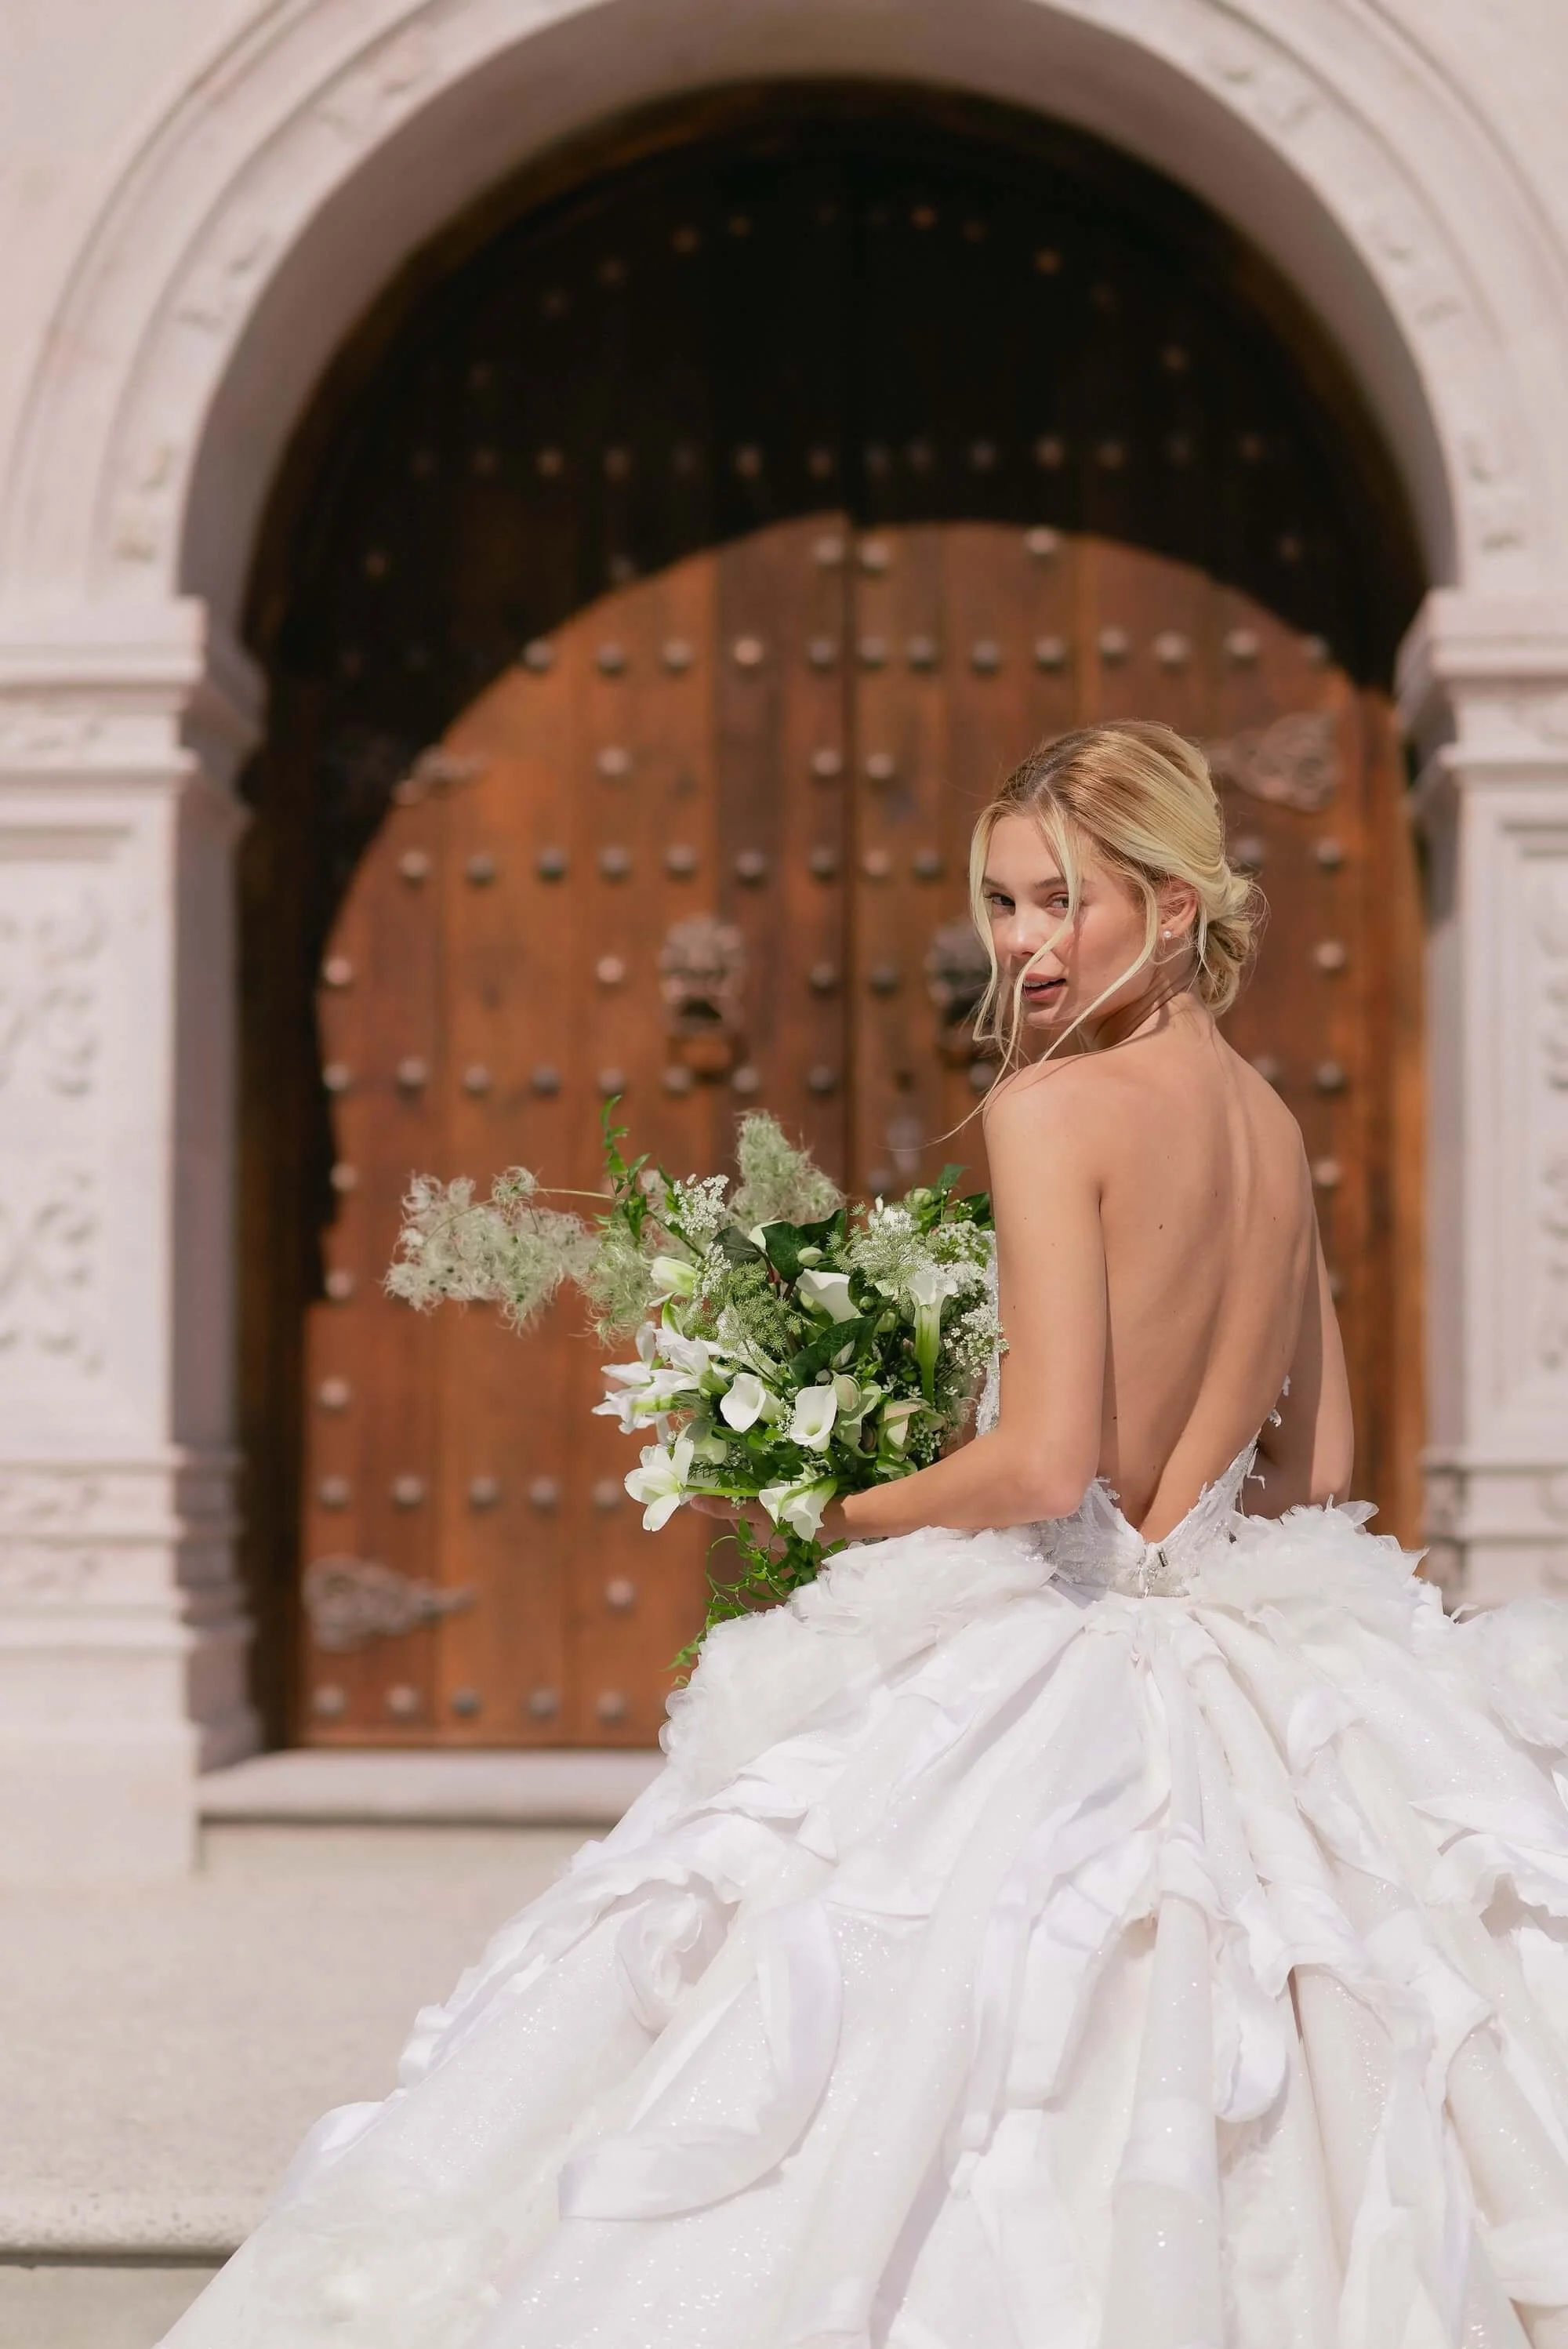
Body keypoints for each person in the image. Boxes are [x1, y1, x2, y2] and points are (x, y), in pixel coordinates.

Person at [164, 722, 1568, 2349]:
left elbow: (1044, 1464)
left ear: (1177, 909)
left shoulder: (1055, 1112)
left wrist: (841, 1505)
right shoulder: (1268, 1124)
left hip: (1069, 1657)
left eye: (1065, 901)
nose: (1025, 943)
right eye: (1003, 903)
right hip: (1256, 1640)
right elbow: (1320, 1465)